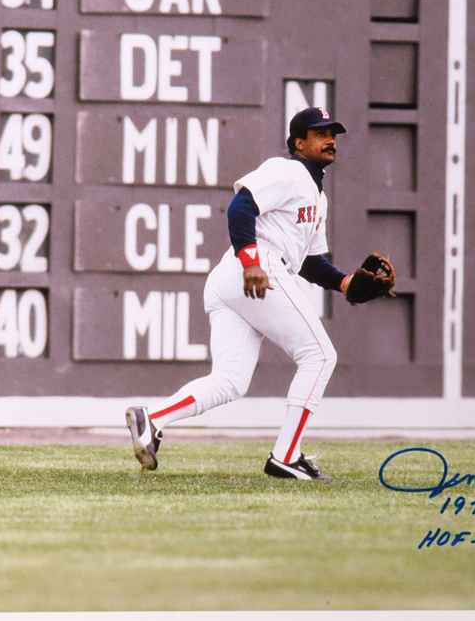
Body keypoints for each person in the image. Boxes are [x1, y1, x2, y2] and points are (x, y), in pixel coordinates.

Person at [126, 106, 355, 481]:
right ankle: (286, 457)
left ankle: (152, 419)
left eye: (333, 133)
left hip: (234, 278)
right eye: (320, 133)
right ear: (300, 143)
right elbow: (241, 206)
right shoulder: (288, 170)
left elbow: (311, 262)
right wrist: (251, 261)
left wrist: (344, 282)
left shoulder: (318, 196)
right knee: (320, 355)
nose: (330, 139)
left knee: (230, 380)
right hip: (255, 268)